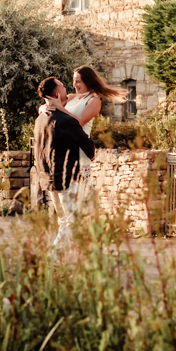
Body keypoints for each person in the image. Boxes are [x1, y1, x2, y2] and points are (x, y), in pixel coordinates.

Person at [32, 76, 96, 252]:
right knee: (73, 222)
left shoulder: (40, 119)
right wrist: (91, 155)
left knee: (63, 222)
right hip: (67, 179)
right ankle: (53, 258)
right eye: (62, 86)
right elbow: (88, 146)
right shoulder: (66, 121)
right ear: (57, 94)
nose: (66, 87)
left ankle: (68, 260)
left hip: (48, 179)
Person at [41, 66, 127, 178]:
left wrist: (62, 108)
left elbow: (79, 123)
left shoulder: (94, 101)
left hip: (80, 147)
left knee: (80, 184)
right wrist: (42, 107)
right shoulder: (70, 97)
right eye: (73, 81)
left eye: (78, 81)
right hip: (65, 148)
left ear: (88, 82)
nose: (74, 85)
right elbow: (51, 106)